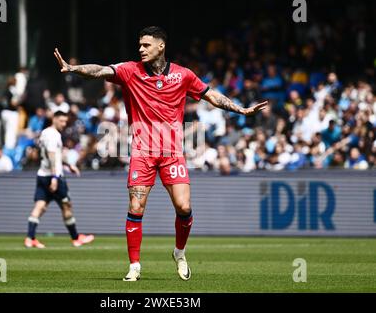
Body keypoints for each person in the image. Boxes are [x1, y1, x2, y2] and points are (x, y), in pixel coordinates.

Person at [54, 26, 268, 281]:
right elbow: (100, 70)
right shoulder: (129, 71)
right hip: (142, 151)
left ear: (161, 46)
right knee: (136, 206)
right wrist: (75, 68)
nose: (141, 49)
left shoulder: (183, 75)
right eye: (140, 45)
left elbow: (211, 95)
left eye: (146, 45)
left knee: (184, 206)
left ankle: (179, 252)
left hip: (172, 152)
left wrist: (241, 110)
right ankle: (134, 266)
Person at [24, 111, 95, 248]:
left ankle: (30, 238)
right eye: (61, 121)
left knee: (40, 206)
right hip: (53, 176)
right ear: (54, 119)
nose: (64, 124)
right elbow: (51, 156)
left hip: (42, 174)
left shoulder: (45, 132)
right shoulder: (53, 135)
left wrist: (69, 165)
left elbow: (56, 155)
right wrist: (55, 177)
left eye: (65, 121)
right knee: (66, 205)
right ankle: (76, 238)